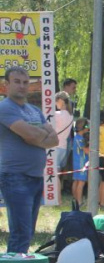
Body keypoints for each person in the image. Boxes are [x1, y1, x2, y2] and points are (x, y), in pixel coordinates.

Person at [0, 66, 59, 253]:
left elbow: (54, 139)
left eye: (25, 82)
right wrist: (40, 136)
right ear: (6, 85)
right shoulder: (4, 108)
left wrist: (35, 135)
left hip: (35, 177)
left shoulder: (34, 110)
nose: (22, 86)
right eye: (17, 82)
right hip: (15, 177)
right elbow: (32, 136)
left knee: (28, 232)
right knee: (21, 232)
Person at [53, 91, 74, 196]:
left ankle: (57, 198)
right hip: (63, 147)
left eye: (56, 101)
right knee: (57, 173)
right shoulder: (70, 116)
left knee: (54, 175)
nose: (55, 104)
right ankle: (57, 197)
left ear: (60, 101)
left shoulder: (57, 115)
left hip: (55, 146)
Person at [71, 118, 89, 205]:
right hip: (82, 162)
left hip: (76, 162)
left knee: (76, 181)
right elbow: (86, 151)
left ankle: (75, 199)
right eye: (87, 126)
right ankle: (79, 201)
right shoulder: (81, 139)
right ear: (83, 127)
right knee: (81, 182)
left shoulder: (76, 137)